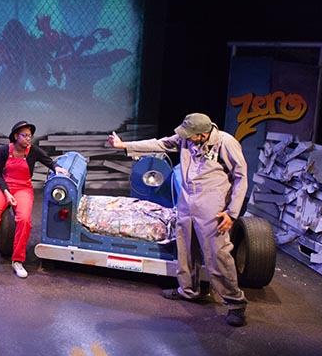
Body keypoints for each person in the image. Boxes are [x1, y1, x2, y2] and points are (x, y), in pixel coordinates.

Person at [107, 113, 249, 327]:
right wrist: (123, 145)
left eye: (190, 136)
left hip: (212, 204)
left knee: (216, 253)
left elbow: (241, 177)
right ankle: (189, 290)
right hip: (187, 199)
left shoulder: (225, 143)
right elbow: (159, 144)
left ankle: (235, 303)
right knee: (185, 248)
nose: (186, 139)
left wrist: (231, 213)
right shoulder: (185, 138)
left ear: (202, 134)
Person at [0, 121, 68, 279]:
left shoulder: (33, 151)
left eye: (30, 136)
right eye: (25, 135)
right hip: (4, 187)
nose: (28, 139)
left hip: (23, 188)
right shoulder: (4, 150)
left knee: (24, 220)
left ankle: (17, 260)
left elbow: (49, 161)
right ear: (16, 136)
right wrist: (6, 192)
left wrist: (56, 168)